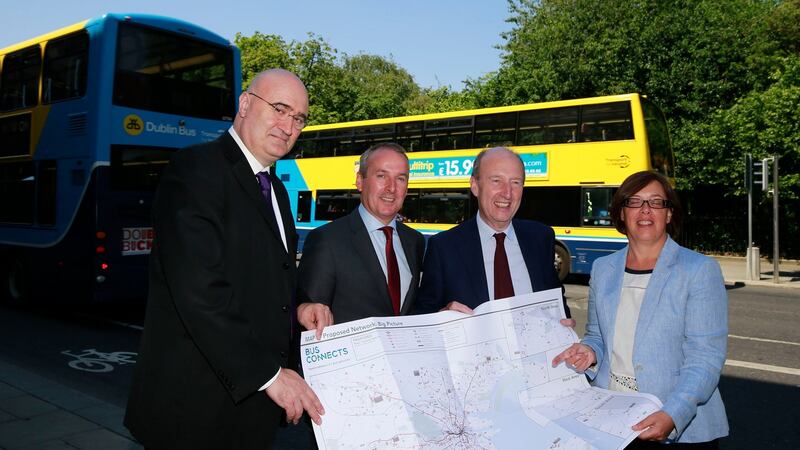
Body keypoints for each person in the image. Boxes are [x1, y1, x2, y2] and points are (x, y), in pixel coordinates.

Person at [124, 69, 324, 449]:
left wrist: (298, 307)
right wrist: (269, 375)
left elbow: (262, 275)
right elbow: (199, 291)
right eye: (280, 109)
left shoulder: (277, 191)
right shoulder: (196, 170)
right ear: (246, 104)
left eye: (299, 118)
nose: (289, 125)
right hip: (196, 412)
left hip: (251, 410)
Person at [552, 171, 728, 448]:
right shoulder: (603, 269)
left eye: (656, 202)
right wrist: (589, 351)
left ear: (669, 214)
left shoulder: (699, 270)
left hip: (678, 425)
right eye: (634, 202)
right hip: (614, 417)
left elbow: (705, 358)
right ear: (621, 213)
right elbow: (597, 335)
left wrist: (674, 413)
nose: (646, 210)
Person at [412, 146, 572, 320]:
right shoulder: (443, 247)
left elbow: (557, 304)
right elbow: (423, 313)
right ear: (475, 186)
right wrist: (441, 316)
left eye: (516, 182)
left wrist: (564, 322)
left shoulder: (541, 238)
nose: (507, 193)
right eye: (496, 181)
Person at [296, 143, 425, 338]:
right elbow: (309, 316)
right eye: (381, 176)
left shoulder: (415, 241)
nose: (391, 188)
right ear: (360, 181)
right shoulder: (327, 239)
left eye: (401, 178)